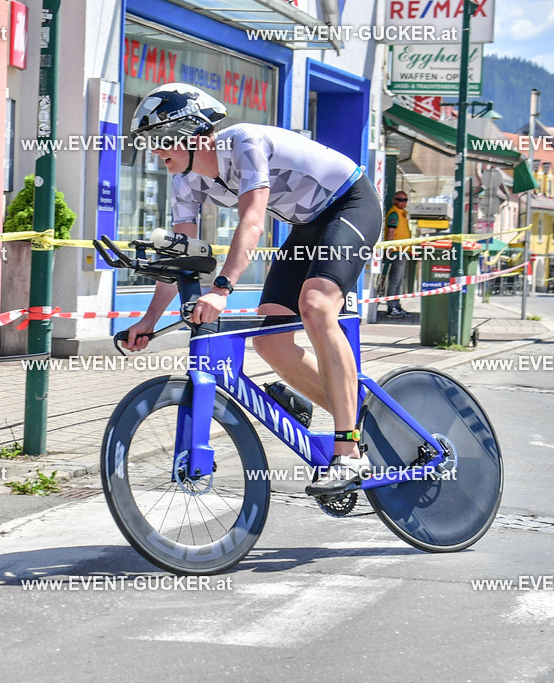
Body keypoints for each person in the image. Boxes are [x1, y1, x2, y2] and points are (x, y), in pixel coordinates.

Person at [122, 83, 382, 497]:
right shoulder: (185, 183)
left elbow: (253, 222)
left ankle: (349, 451)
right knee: (272, 342)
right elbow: (181, 257)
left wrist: (222, 289)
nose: (156, 151)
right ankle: (362, 419)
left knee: (315, 305)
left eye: (160, 140)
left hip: (350, 204)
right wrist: (149, 320)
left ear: (191, 133)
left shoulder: (243, 142)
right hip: (308, 225)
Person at [383, 191, 411, 317]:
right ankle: (391, 307)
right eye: (400, 199)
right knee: (394, 280)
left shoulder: (402, 214)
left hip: (402, 251)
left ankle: (396, 305)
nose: (402, 202)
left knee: (399, 281)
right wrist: (389, 247)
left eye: (405, 200)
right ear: (394, 200)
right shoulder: (394, 214)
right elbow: (390, 231)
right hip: (396, 252)